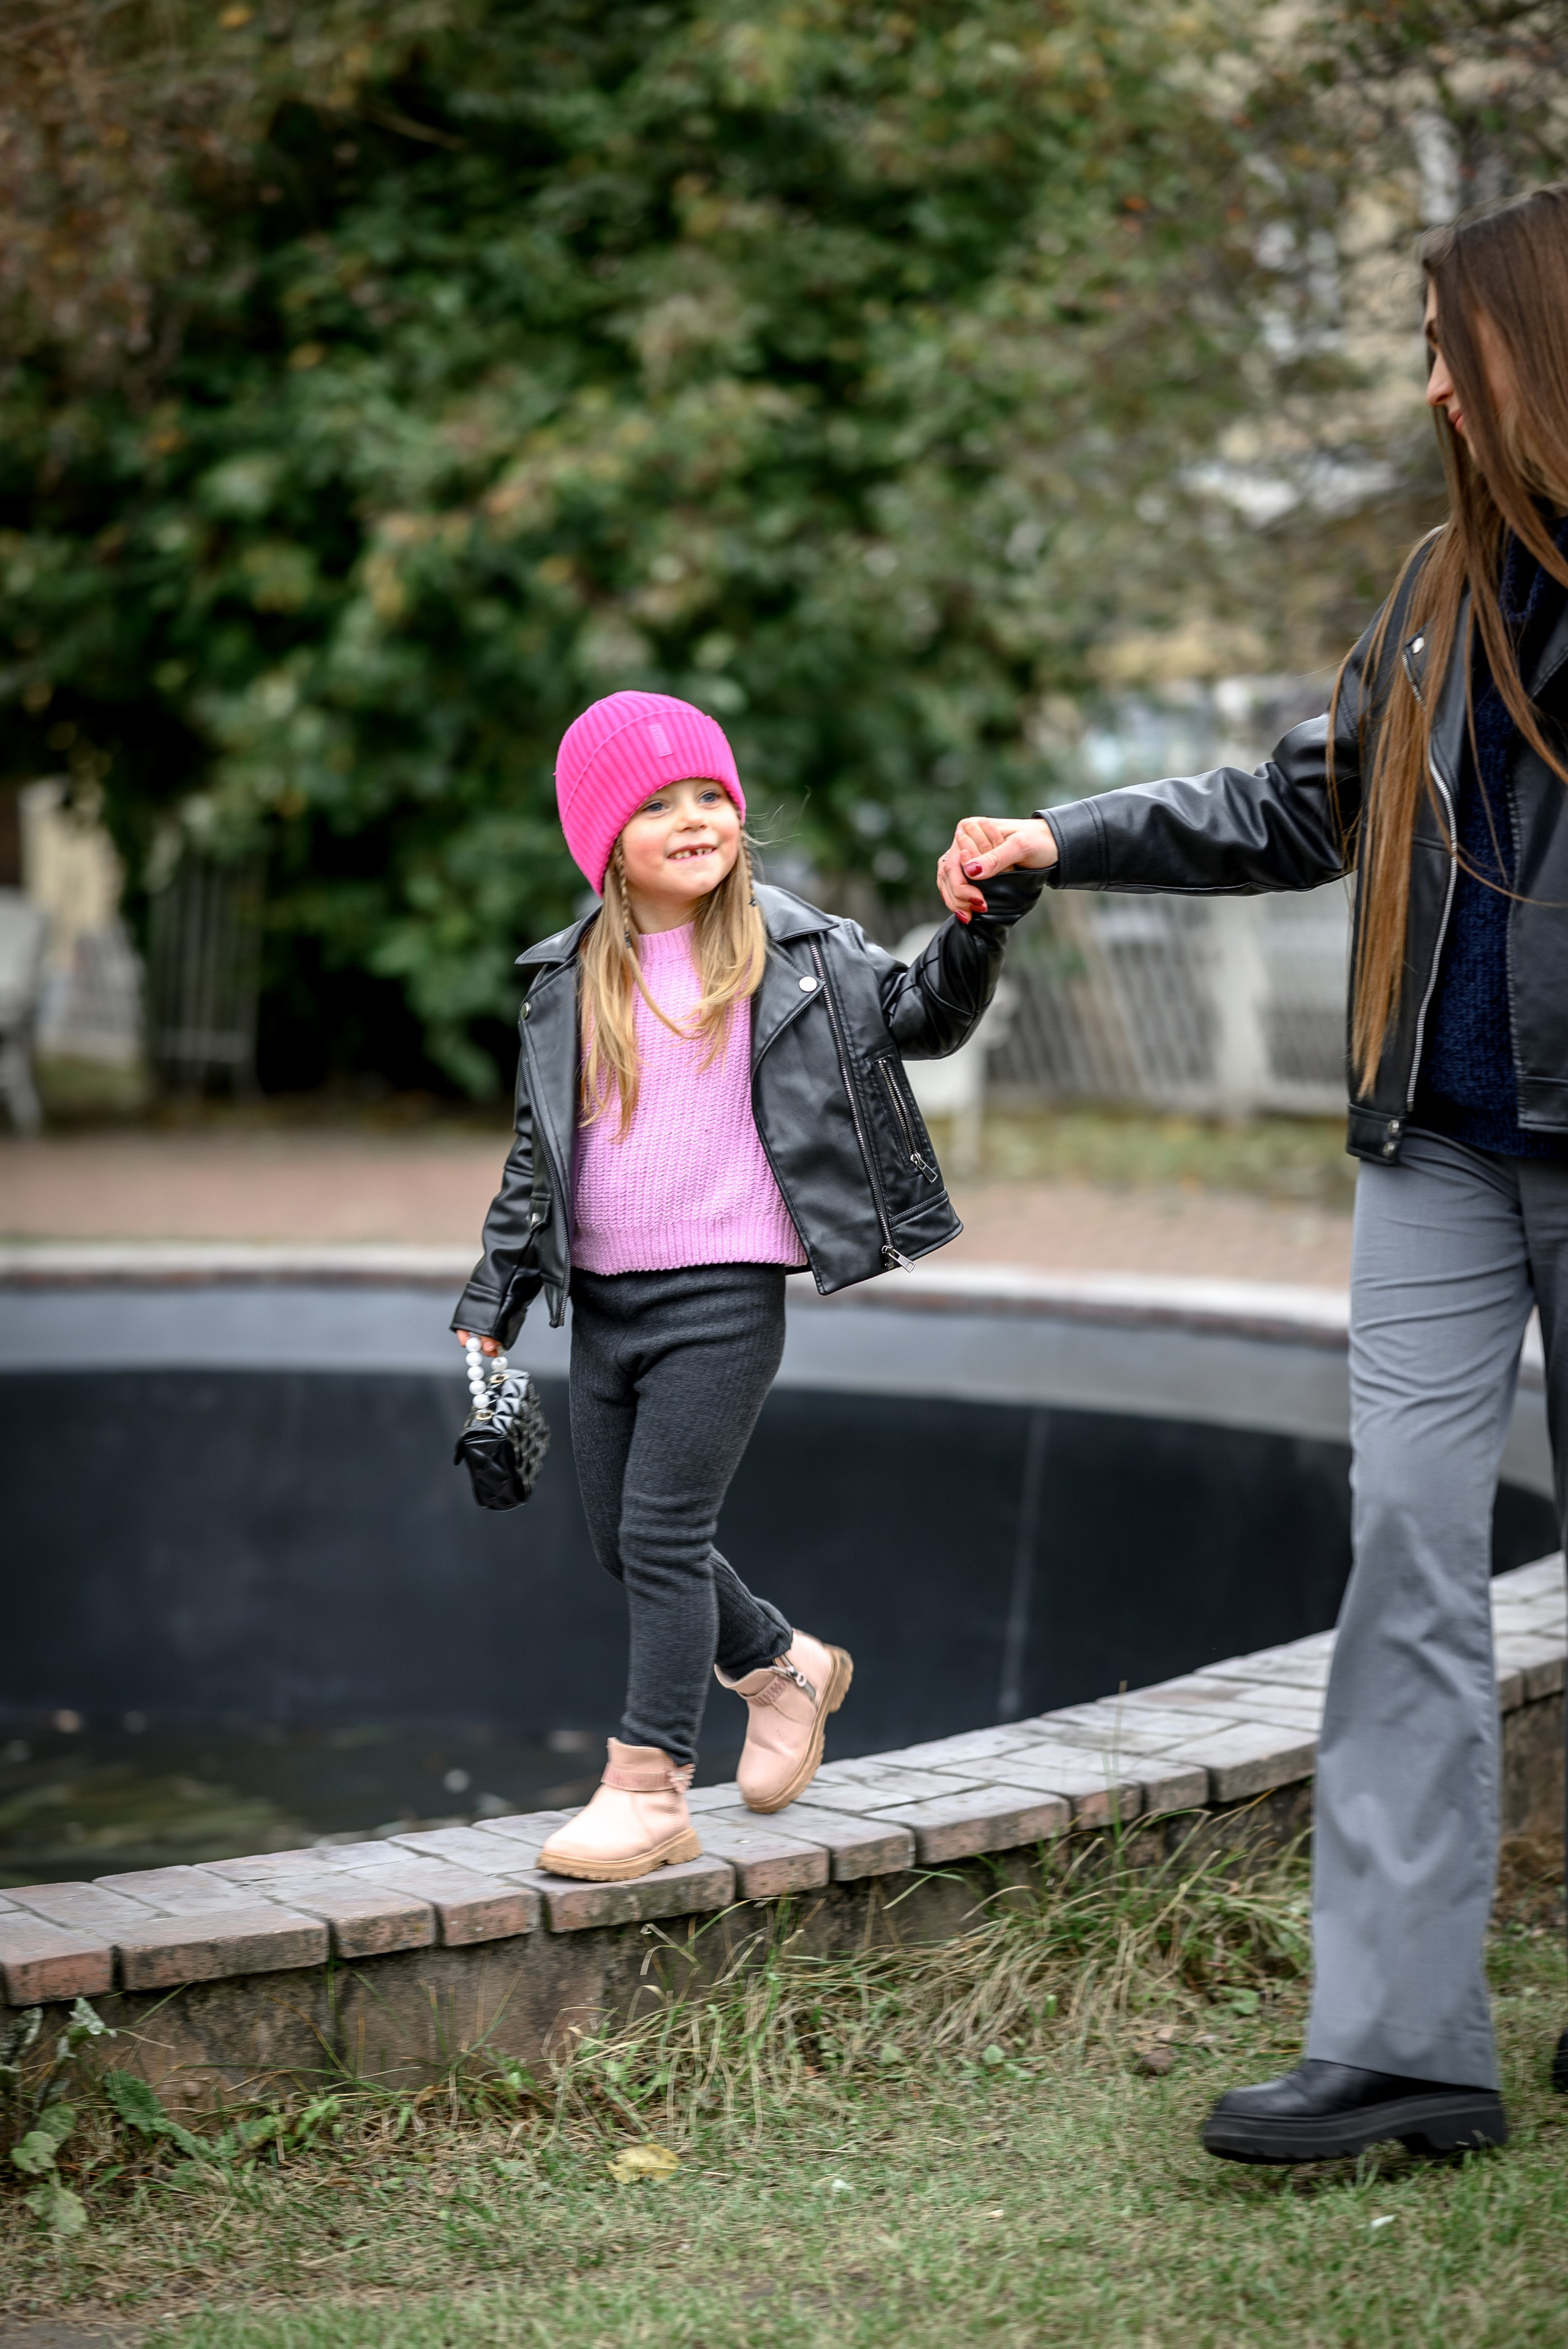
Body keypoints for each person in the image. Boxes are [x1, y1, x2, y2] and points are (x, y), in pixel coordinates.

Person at [937, 181, 1568, 2166]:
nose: (1428, 387)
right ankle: (1405, 2043)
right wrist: (1065, 839)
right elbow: (1305, 801)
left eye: (1445, 348)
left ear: (1523, 353)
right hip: (1442, 1151)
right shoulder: (1434, 591)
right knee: (1403, 1549)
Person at [456, 689, 1042, 1882]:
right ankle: (784, 1670)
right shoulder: (567, 983)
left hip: (722, 1299)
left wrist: (979, 926)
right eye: (656, 803)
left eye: (711, 795)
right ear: (600, 841)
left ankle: (648, 1786)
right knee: (622, 1542)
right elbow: (536, 1163)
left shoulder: (800, 951)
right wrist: (489, 1310)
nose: (694, 817)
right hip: (605, 1306)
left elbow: (921, 1021)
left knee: (664, 1536)